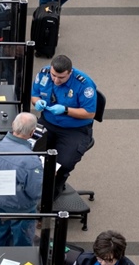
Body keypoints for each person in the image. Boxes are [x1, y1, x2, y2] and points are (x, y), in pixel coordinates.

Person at [30, 55, 96, 195]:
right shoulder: (44, 74)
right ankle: (31, 187)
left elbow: (89, 113)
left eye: (61, 77)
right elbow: (35, 95)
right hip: (48, 122)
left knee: (63, 164)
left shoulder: (84, 84)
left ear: (70, 73)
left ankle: (54, 191)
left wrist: (66, 110)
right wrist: (37, 102)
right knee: (27, 150)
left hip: (74, 129)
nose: (56, 80)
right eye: (53, 75)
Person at [0, 112, 43, 246]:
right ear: (32, 133)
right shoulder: (32, 161)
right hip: (21, 207)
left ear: (13, 125)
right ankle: (20, 262)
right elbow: (35, 192)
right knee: (22, 240)